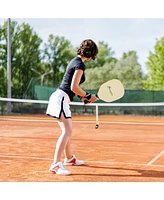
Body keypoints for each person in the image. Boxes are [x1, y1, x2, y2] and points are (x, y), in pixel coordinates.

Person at [46, 39, 99, 175]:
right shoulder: (80, 64)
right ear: (91, 53)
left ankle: (69, 159)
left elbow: (73, 88)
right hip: (61, 98)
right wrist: (87, 95)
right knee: (67, 132)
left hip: (63, 98)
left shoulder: (75, 61)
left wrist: (83, 97)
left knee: (68, 130)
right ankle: (55, 165)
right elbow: (74, 87)